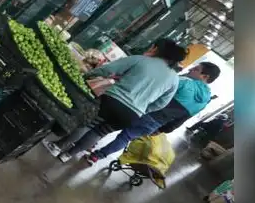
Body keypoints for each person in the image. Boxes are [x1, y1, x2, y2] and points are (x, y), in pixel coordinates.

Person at [55, 39, 188, 162]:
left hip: (112, 101)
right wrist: (143, 109)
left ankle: (58, 147)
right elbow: (162, 103)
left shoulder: (141, 60)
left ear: (157, 49)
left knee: (87, 124)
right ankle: (68, 155)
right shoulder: (174, 80)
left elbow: (108, 70)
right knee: (100, 132)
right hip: (131, 115)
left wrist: (87, 75)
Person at [82, 62, 222, 165]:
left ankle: (89, 143)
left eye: (196, 69)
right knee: (125, 138)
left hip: (142, 110)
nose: (191, 69)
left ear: (205, 76)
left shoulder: (185, 82)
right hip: (155, 123)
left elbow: (157, 89)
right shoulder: (204, 101)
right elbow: (182, 119)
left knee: (108, 124)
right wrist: (163, 129)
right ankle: (97, 156)